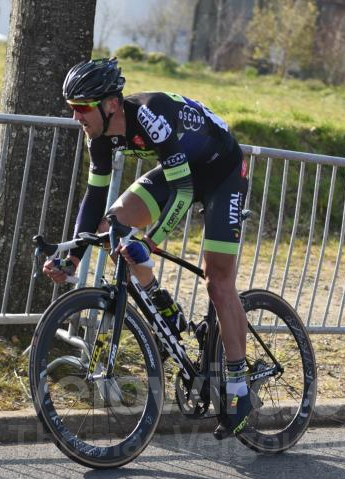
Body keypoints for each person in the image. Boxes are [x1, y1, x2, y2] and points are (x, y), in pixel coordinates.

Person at [42, 57, 252, 437]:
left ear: (109, 104)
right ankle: (159, 299)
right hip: (181, 170)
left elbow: (185, 191)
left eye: (81, 108)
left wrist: (151, 239)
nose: (75, 117)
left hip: (221, 173)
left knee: (218, 283)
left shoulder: (150, 117)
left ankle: (240, 387)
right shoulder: (99, 135)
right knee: (112, 225)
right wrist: (72, 256)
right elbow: (94, 197)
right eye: (71, 109)